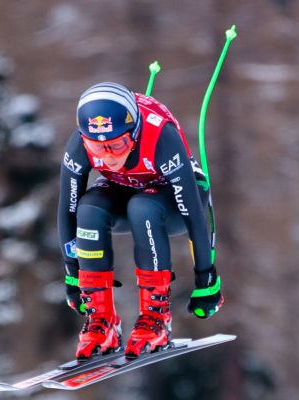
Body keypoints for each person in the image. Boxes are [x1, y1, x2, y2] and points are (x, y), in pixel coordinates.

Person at [58, 82, 224, 361]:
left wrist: (206, 280)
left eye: (117, 145)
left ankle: (155, 317)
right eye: (96, 148)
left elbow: (195, 213)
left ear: (133, 133)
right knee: (89, 210)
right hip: (128, 188)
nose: (108, 157)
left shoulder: (161, 137)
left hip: (175, 199)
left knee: (143, 207)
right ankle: (102, 321)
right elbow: (68, 210)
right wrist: (73, 277)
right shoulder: (80, 144)